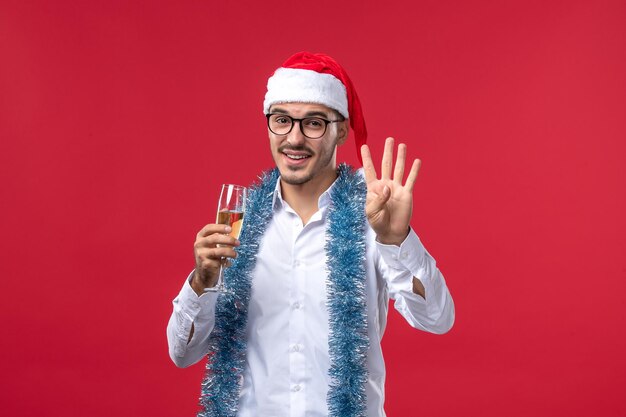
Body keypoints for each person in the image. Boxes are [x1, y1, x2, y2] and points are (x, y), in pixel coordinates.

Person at [167, 51, 455, 417]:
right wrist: (202, 282)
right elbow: (182, 354)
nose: (294, 139)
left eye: (314, 123)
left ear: (341, 129)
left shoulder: (374, 218)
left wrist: (396, 240)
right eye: (282, 120)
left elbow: (436, 319)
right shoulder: (238, 224)